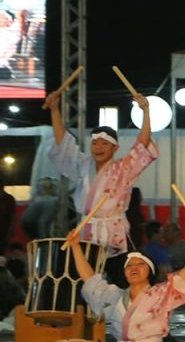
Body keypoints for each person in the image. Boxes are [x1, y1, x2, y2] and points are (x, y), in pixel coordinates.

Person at [46, 89, 157, 288]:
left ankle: (124, 317)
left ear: (115, 148)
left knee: (123, 282)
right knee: (80, 283)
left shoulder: (124, 168)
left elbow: (142, 144)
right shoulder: (82, 165)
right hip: (87, 232)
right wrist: (54, 109)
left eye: (104, 143)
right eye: (95, 143)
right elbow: (64, 143)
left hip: (114, 233)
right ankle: (83, 317)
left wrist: (145, 112)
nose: (98, 147)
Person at [66, 217, 185, 342]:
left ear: (149, 272)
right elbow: (90, 278)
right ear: (125, 273)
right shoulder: (113, 295)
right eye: (129, 265)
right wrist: (76, 247)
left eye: (140, 264)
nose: (134, 267)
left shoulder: (161, 293)